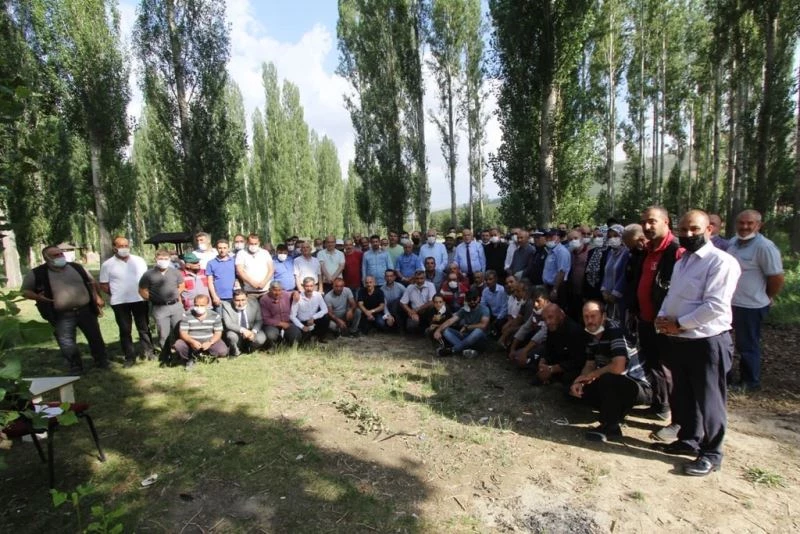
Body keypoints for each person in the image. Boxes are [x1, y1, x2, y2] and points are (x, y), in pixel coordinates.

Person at [654, 209, 741, 476]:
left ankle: (711, 453)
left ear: (709, 230)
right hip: (680, 339)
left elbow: (714, 306)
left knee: (709, 399)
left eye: (694, 229)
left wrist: (679, 324)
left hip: (708, 341)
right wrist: (662, 318)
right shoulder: (683, 261)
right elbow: (673, 296)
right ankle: (689, 439)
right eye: (684, 229)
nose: (688, 234)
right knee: (683, 393)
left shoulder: (721, 262)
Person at [570, 301, 651, 442]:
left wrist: (592, 375)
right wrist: (580, 381)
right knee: (576, 389)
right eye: (586, 317)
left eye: (593, 316)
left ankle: (611, 426)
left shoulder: (614, 330)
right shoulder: (590, 334)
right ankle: (614, 412)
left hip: (638, 385)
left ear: (604, 316)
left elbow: (618, 366)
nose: (589, 320)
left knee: (608, 379)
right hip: (616, 382)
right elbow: (590, 364)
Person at [22, 245, 108, 373]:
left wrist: (97, 297)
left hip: (85, 310)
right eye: (55, 255)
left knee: (95, 337)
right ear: (46, 258)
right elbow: (24, 291)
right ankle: (76, 366)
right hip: (61, 315)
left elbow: (91, 282)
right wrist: (38, 297)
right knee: (67, 342)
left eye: (60, 254)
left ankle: (102, 362)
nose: (60, 257)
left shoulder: (76, 267)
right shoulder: (37, 273)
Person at [634, 206, 683, 428]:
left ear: (666, 222)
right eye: (644, 222)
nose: (647, 226)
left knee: (670, 370)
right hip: (646, 320)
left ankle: (678, 421)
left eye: (652, 221)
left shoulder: (676, 252)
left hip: (667, 324)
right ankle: (660, 405)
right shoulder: (648, 250)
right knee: (653, 366)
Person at [726, 209, 784, 391]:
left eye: (749, 223)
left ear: (759, 225)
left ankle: (750, 381)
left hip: (751, 306)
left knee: (747, 344)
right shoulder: (733, 243)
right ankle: (727, 378)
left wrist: (767, 297)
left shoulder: (765, 247)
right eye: (741, 223)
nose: (745, 227)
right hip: (730, 303)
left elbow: (776, 277)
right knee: (726, 343)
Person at [99, 236, 153, 367]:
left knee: (144, 327)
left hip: (139, 299)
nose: (124, 248)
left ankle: (148, 352)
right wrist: (117, 293)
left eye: (126, 245)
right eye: (120, 246)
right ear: (114, 248)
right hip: (120, 302)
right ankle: (129, 357)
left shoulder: (139, 260)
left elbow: (146, 279)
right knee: (125, 330)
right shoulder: (107, 265)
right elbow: (104, 285)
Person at [138, 249, 185, 362]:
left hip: (175, 306)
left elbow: (182, 285)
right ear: (156, 259)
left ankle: (181, 354)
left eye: (165, 259)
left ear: (169, 260)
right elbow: (142, 290)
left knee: (179, 330)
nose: (163, 261)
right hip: (159, 307)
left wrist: (175, 295)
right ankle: (166, 355)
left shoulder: (175, 272)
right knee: (163, 333)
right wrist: (152, 299)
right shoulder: (149, 274)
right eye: (160, 259)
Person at [533, 304, 586, 386]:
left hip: (571, 364)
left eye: (550, 317)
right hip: (559, 359)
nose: (547, 322)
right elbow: (548, 348)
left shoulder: (574, 331)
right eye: (545, 319)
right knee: (535, 357)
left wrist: (551, 369)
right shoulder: (552, 327)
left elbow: (577, 361)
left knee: (568, 377)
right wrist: (542, 363)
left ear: (561, 316)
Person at [433, 288, 490, 358]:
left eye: (474, 299)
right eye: (469, 299)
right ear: (466, 300)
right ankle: (466, 350)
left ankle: (452, 350)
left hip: (479, 339)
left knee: (478, 331)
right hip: (466, 337)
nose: (472, 301)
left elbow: (483, 325)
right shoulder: (464, 309)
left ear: (478, 298)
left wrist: (467, 327)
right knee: (446, 330)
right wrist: (438, 330)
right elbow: (450, 321)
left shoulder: (484, 309)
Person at [175, 294, 228, 368]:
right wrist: (192, 341)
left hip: (209, 341)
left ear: (207, 305)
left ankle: (207, 355)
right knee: (179, 345)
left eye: (202, 305)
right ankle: (189, 359)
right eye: (196, 305)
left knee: (222, 351)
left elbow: (218, 333)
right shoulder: (186, 315)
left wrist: (210, 342)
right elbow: (183, 333)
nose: (199, 308)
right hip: (191, 343)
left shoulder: (215, 315)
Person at [220, 289, 266, 356]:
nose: (240, 303)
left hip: (251, 329)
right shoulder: (226, 306)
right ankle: (236, 351)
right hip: (236, 331)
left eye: (243, 300)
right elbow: (228, 324)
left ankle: (249, 349)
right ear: (233, 299)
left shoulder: (254, 303)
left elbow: (259, 320)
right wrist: (244, 331)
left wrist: (253, 332)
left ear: (247, 298)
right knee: (231, 336)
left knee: (261, 338)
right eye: (237, 300)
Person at [600, 224, 630, 322]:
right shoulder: (610, 253)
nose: (612, 239)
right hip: (608, 298)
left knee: (620, 323)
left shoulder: (627, 253)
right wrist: (604, 290)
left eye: (616, 236)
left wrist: (615, 294)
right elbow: (606, 273)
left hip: (620, 298)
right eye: (610, 237)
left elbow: (624, 276)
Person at [260, 281, 301, 347]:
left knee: (296, 334)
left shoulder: (285, 294)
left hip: (288, 322)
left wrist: (296, 292)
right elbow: (266, 319)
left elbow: (293, 292)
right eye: (275, 290)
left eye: (279, 290)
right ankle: (276, 345)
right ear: (269, 290)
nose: (277, 293)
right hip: (272, 325)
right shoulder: (264, 300)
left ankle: (288, 345)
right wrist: (281, 324)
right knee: (271, 335)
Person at [291, 277, 330, 343]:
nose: (309, 288)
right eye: (307, 286)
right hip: (303, 323)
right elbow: (292, 316)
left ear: (314, 286)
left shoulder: (318, 295)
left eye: (311, 286)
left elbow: (325, 309)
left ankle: (320, 337)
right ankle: (310, 337)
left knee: (325, 318)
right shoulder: (298, 297)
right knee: (305, 342)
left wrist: (313, 317)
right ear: (303, 286)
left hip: (314, 321)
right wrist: (302, 326)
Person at [235, 233, 274, 300]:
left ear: (259, 243)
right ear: (247, 242)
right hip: (249, 292)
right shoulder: (241, 253)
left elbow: (271, 270)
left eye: (255, 244)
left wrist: (264, 282)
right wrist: (252, 283)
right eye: (251, 243)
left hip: (265, 291)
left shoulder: (265, 253)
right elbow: (240, 271)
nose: (253, 246)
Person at [206, 239, 237, 309]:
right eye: (220, 248)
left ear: (228, 248)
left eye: (224, 248)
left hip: (234, 296)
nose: (222, 250)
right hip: (219, 298)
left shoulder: (234, 261)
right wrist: (214, 296)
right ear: (216, 249)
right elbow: (210, 282)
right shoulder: (211, 263)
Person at [542, 229, 571, 303]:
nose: (548, 239)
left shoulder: (562, 252)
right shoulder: (551, 251)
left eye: (552, 236)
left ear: (558, 237)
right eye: (547, 237)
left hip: (557, 287)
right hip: (548, 286)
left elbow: (561, 272)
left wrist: (555, 289)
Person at [481, 270, 508, 335]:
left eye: (490, 279)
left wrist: (497, 319)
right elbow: (483, 305)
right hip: (492, 315)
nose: (488, 282)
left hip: (502, 316)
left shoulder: (502, 290)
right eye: (486, 280)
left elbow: (504, 308)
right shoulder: (485, 291)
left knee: (497, 324)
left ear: (495, 279)